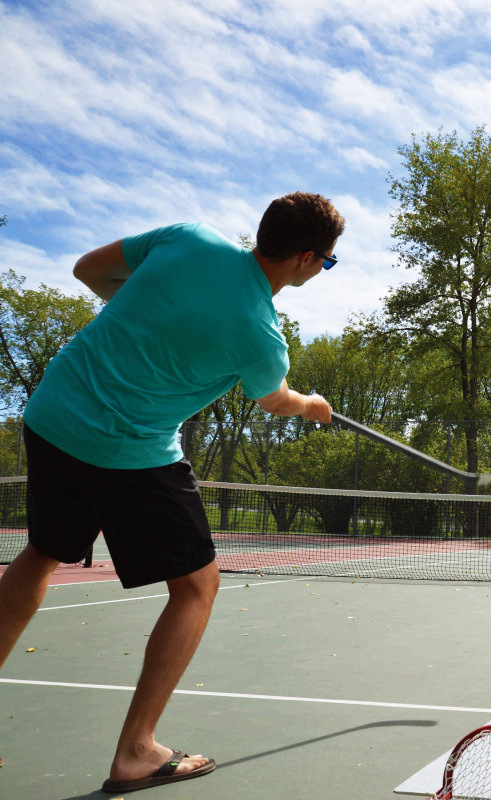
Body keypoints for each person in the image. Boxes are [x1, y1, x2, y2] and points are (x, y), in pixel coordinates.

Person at [0, 192, 345, 792]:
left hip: (54, 415)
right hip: (130, 451)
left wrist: (146, 315)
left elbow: (88, 269)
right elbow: (275, 399)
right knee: (196, 587)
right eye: (328, 262)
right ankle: (136, 752)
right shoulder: (262, 336)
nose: (322, 270)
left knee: (41, 554)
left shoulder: (189, 238)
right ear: (308, 259)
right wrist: (312, 407)